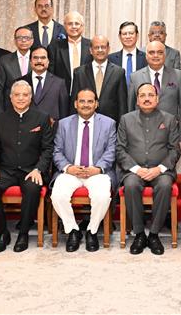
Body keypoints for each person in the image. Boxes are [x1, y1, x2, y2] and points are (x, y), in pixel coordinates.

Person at [0, 81, 54, 253]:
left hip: (31, 170)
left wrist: (38, 169)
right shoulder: (0, 119)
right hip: (6, 170)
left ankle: (23, 233)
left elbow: (48, 149)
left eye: (25, 95)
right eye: (17, 95)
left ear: (30, 97)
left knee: (33, 188)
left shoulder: (42, 118)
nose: (21, 98)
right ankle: (2, 232)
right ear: (10, 97)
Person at [116, 83, 180, 255]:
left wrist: (159, 168)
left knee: (165, 185)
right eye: (142, 95)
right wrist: (136, 169)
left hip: (161, 170)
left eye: (151, 95)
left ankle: (153, 234)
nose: (146, 99)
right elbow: (120, 149)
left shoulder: (169, 119)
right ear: (137, 100)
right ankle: (139, 234)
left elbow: (174, 150)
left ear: (157, 99)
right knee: (131, 185)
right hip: (134, 171)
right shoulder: (126, 119)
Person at [50, 88, 117, 252]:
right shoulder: (64, 124)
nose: (86, 105)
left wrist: (98, 168)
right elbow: (56, 151)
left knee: (102, 196)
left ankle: (91, 231)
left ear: (96, 104)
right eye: (82, 101)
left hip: (97, 172)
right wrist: (68, 167)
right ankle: (73, 230)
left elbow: (111, 150)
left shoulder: (109, 123)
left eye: (90, 101)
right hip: (71, 171)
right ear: (75, 104)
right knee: (57, 195)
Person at [127, 41, 181, 141]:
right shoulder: (135, 77)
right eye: (151, 52)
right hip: (141, 134)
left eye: (160, 52)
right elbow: (130, 109)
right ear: (146, 56)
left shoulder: (178, 75)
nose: (155, 56)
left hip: (170, 134)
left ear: (165, 55)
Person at [72, 35, 127, 123]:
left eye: (103, 47)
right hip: (85, 122)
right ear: (91, 50)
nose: (100, 50)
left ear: (108, 49)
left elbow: (122, 105)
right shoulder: (79, 73)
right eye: (96, 47)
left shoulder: (119, 72)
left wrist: (121, 127)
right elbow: (74, 102)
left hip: (111, 123)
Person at [19, 45, 69, 122]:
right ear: (30, 61)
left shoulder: (59, 83)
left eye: (43, 58)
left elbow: (64, 112)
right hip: (25, 127)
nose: (39, 61)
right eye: (35, 58)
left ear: (48, 61)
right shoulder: (19, 82)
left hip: (51, 128)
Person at [47, 11, 91, 94]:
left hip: (86, 95)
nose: (73, 26)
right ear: (65, 26)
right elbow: (50, 74)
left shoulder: (91, 46)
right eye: (70, 24)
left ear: (82, 26)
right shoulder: (54, 47)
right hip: (60, 94)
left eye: (77, 24)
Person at [0, 26, 34, 110]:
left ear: (32, 41)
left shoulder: (38, 59)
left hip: (33, 108)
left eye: (27, 38)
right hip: (10, 108)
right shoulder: (5, 60)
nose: (23, 40)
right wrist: (0, 112)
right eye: (19, 38)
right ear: (15, 41)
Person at [108, 21, 147, 86]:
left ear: (137, 36)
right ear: (119, 37)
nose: (128, 36)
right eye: (124, 34)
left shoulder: (146, 58)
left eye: (131, 33)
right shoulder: (110, 59)